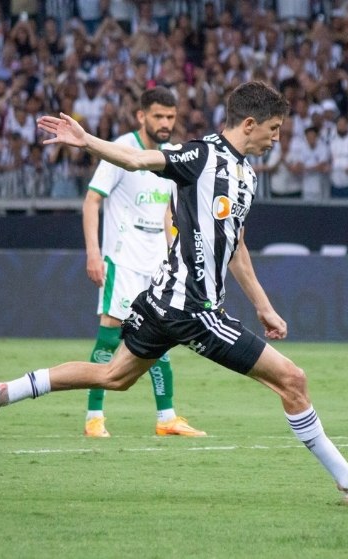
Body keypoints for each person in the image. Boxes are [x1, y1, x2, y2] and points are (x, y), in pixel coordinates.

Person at [0, 81, 348, 507]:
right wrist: (87, 140)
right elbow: (136, 159)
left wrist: (264, 307)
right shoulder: (203, 154)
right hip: (192, 308)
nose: (277, 139)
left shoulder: (245, 174)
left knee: (114, 376)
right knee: (293, 380)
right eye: (274, 130)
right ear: (249, 124)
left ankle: (0, 392)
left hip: (166, 302)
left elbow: (237, 247)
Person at [81, 87, 205, 438]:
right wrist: (93, 253)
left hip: (156, 266)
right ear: (141, 116)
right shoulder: (121, 149)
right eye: (158, 116)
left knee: (161, 335)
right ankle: (94, 417)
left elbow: (166, 212)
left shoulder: (171, 155)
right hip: (121, 262)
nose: (166, 123)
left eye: (170, 116)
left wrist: (175, 254)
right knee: (108, 337)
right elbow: (92, 201)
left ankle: (166, 418)